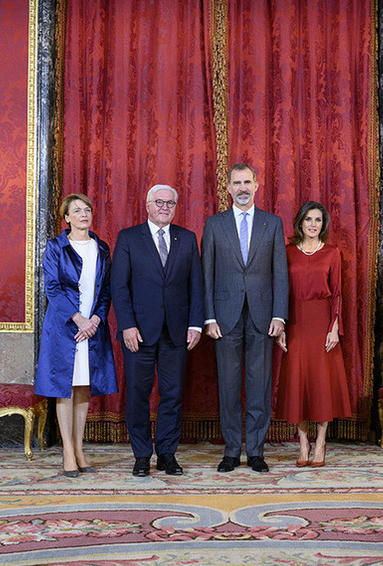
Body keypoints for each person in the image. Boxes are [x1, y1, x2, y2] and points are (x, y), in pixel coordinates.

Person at [110, 184, 204, 477]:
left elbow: (196, 286)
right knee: (138, 393)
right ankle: (141, 455)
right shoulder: (128, 238)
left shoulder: (187, 239)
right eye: (159, 202)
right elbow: (119, 286)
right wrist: (126, 325)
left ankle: (166, 454)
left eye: (170, 203)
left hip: (176, 332)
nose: (165, 207)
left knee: (172, 394)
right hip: (138, 332)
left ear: (176, 208)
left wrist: (195, 324)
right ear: (148, 205)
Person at [201, 163, 288, 473]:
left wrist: (280, 315)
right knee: (228, 387)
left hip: (263, 318)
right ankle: (230, 450)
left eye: (247, 182)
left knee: (259, 386)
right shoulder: (214, 224)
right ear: (227, 188)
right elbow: (206, 275)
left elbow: (281, 272)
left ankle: (255, 451)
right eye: (236, 182)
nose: (242, 188)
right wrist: (208, 317)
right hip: (224, 318)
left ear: (257, 185)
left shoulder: (272, 223)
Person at [35, 193, 117, 477]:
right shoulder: (56, 247)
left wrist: (94, 319)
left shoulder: (102, 248)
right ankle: (67, 453)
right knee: (65, 389)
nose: (83, 214)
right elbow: (53, 288)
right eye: (77, 211)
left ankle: (80, 449)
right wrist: (79, 319)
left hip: (92, 328)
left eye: (87, 210)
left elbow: (106, 291)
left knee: (84, 387)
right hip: (64, 328)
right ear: (66, 218)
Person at [274, 202, 351, 468]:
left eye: (318, 220)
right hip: (294, 322)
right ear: (300, 222)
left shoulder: (331, 253)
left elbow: (338, 292)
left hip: (322, 323)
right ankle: (303, 444)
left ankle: (320, 443)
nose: (313, 224)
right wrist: (281, 326)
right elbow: (279, 292)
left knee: (320, 385)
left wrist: (334, 328)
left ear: (323, 224)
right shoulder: (287, 253)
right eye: (308, 219)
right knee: (299, 384)